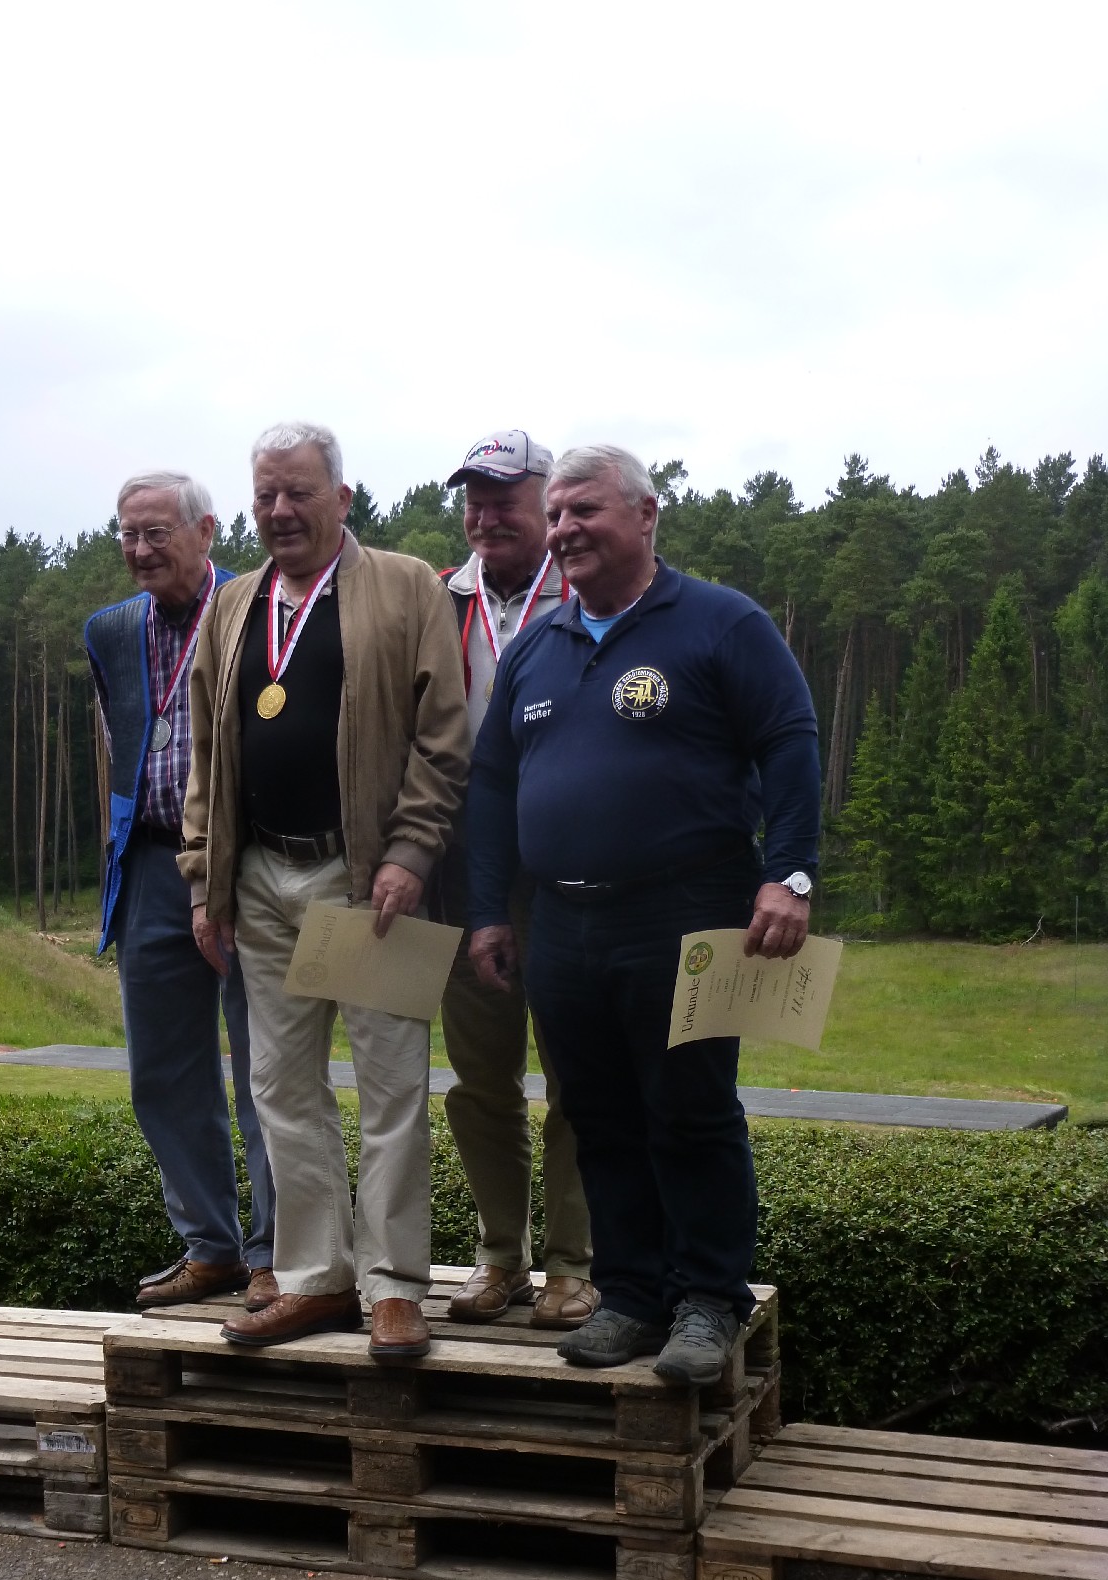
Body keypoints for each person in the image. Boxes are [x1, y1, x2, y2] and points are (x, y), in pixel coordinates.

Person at [465, 445, 820, 1383]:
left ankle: (709, 1299)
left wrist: (789, 875)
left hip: (690, 910)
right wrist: (488, 911)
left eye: (585, 510)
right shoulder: (538, 646)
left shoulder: (720, 622)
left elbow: (789, 740)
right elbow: (492, 785)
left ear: (647, 513)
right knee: (598, 1113)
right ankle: (628, 1294)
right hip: (562, 922)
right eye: (557, 514)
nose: (565, 529)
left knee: (690, 1110)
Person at [181, 422, 470, 1360]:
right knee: (279, 1086)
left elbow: (443, 737)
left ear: (342, 498)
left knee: (392, 1087)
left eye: (299, 492)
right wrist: (206, 878)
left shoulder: (407, 585)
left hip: (366, 881)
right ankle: (314, 1279)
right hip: (261, 880)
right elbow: (207, 753)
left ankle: (394, 1286)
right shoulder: (233, 604)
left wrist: (410, 851)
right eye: (266, 494)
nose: (280, 511)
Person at [83, 471, 275, 1312]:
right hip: (153, 866)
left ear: (206, 530)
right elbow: (123, 738)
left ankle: (278, 1254)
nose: (140, 549)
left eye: (157, 532)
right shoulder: (109, 630)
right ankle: (211, 1249)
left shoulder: (259, 609)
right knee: (162, 1072)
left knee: (268, 1069)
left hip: (250, 865)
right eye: (127, 534)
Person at [435, 430, 595, 1330]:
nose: (487, 517)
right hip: (467, 880)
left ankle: (574, 1264)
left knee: (579, 1079)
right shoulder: (435, 600)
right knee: (480, 1082)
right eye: (475, 501)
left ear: (547, 505)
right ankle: (500, 1256)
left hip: (572, 875)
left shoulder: (590, 596)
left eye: (505, 500)